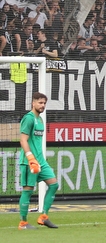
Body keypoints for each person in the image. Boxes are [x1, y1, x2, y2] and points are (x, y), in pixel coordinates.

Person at [18, 92, 58, 229]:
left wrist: (39, 159)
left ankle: (44, 217)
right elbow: (23, 140)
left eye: (44, 103)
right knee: (28, 191)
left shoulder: (40, 119)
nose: (42, 105)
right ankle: (23, 223)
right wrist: (30, 157)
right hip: (29, 161)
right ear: (33, 103)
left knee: (54, 184)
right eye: (40, 103)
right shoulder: (28, 119)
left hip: (41, 161)